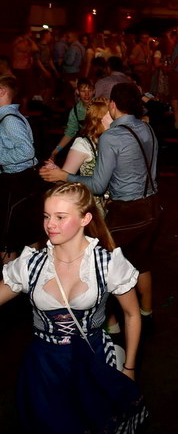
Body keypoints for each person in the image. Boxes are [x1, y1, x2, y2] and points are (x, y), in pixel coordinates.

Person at [0, 182, 147, 433]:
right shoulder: (30, 264)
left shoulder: (108, 264)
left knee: (91, 421)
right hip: (44, 365)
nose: (50, 224)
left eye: (60, 217)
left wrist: (129, 367)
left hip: (92, 358)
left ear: (84, 219)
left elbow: (132, 314)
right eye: (46, 216)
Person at [41, 83, 160, 327]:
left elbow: (96, 185)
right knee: (141, 262)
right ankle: (147, 314)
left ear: (113, 105)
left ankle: (111, 326)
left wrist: (64, 176)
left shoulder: (111, 137)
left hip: (127, 212)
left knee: (99, 267)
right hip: (153, 207)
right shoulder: (147, 128)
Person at [0, 75, 42, 261]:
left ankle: (10, 277)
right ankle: (34, 272)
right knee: (27, 233)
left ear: (2, 92)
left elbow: (26, 151)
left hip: (17, 182)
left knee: (6, 240)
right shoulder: (9, 116)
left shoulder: (9, 120)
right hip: (22, 181)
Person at [50, 78, 95, 161]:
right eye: (83, 91)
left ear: (94, 91)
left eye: (90, 90)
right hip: (87, 146)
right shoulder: (75, 110)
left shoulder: (100, 106)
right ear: (77, 92)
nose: (87, 94)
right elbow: (69, 133)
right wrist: (55, 151)